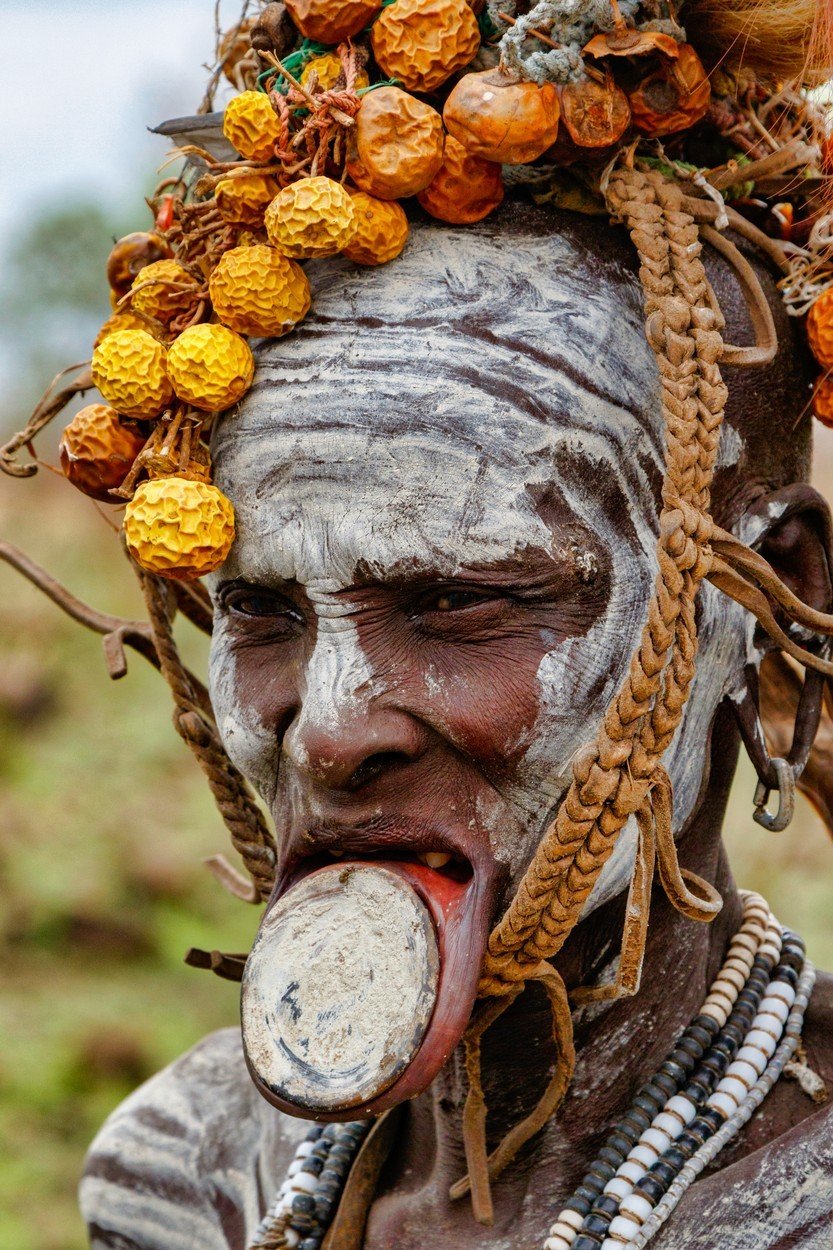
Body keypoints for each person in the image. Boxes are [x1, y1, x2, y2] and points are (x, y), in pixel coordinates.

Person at [4, 3, 833, 1248]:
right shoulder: (180, 1180)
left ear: (772, 618)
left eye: (457, 603)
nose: (328, 732)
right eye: (261, 609)